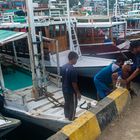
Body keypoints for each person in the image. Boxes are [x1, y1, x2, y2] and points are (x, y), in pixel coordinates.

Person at [61, 51, 81, 121]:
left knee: (66, 102)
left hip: (64, 89)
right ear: (73, 59)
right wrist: (78, 93)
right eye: (76, 59)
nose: (76, 61)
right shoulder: (73, 70)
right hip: (71, 91)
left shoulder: (63, 67)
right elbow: (74, 83)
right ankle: (71, 118)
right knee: (73, 104)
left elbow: (63, 79)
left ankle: (66, 115)